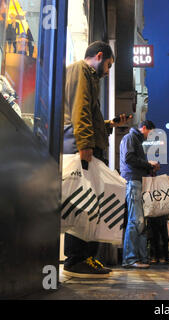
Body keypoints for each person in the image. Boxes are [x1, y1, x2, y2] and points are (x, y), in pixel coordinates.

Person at [62, 41, 130, 278]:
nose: (108, 71)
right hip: (80, 147)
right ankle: (76, 259)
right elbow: (80, 110)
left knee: (89, 204)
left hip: (82, 145)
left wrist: (110, 124)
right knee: (84, 204)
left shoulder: (85, 74)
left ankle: (84, 257)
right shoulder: (83, 71)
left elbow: (86, 114)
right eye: (108, 65)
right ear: (100, 56)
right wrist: (85, 144)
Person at [120, 120, 159, 269]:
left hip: (136, 181)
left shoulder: (134, 139)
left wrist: (149, 168)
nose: (151, 136)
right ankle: (130, 259)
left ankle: (140, 257)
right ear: (144, 128)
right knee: (135, 221)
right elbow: (129, 159)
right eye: (151, 132)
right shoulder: (130, 138)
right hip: (133, 181)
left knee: (139, 221)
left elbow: (132, 160)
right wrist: (148, 165)